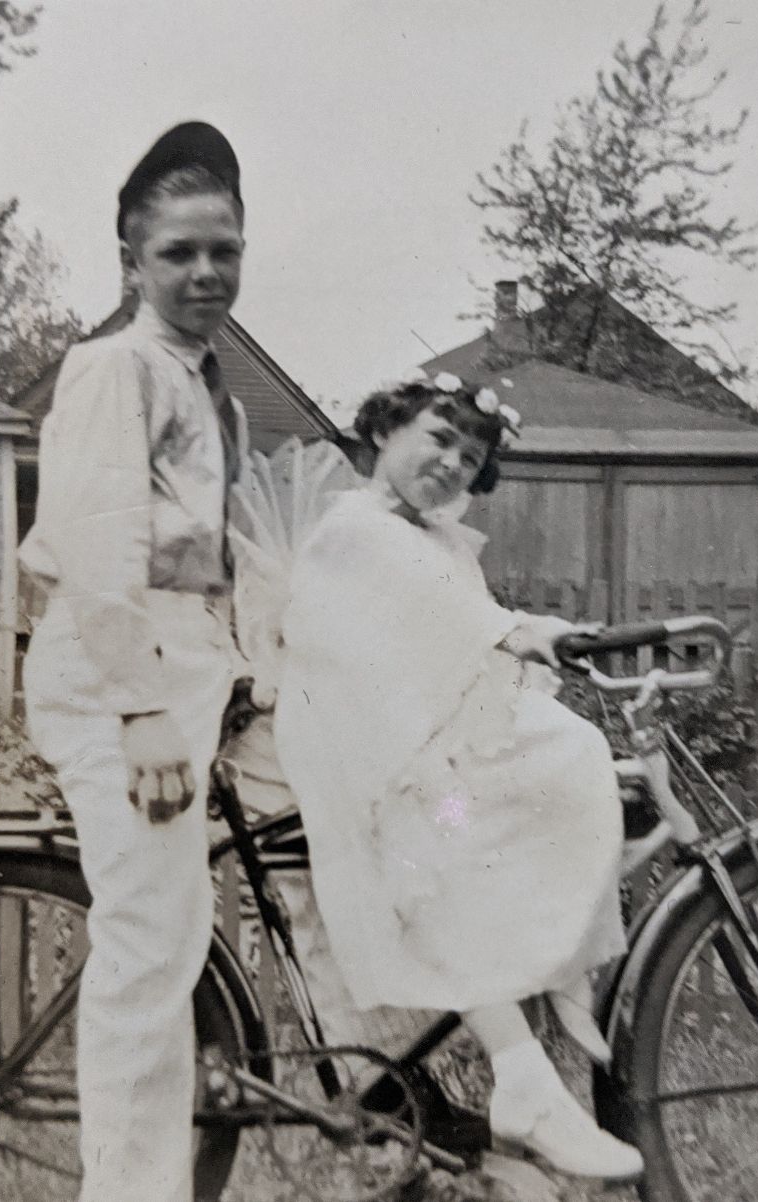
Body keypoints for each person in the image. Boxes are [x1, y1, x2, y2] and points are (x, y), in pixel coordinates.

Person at [271, 371, 645, 1181]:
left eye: (470, 458)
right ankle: (523, 1077)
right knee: (460, 843)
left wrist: (518, 637)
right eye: (438, 439)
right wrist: (517, 631)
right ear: (384, 433)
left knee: (555, 773)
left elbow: (450, 623)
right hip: (359, 757)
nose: (451, 464)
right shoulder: (355, 527)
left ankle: (550, 1002)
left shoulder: (433, 537)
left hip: (409, 740)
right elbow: (445, 615)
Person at [19, 121, 247, 1202]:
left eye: (223, 250)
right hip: (118, 674)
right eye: (178, 253)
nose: (205, 272)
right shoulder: (115, 367)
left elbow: (207, 550)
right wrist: (140, 708)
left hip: (180, 664)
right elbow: (99, 547)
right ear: (131, 264)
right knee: (150, 949)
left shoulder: (203, 380)